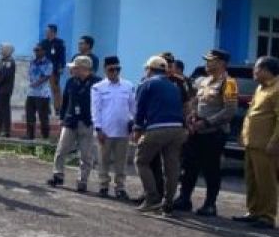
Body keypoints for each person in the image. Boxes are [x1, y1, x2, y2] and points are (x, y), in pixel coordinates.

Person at [174, 49, 237, 217]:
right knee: (189, 167)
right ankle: (184, 198)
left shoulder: (229, 83)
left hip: (213, 133)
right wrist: (192, 116)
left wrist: (207, 122)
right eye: (207, 60)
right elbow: (195, 101)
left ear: (222, 63)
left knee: (211, 169)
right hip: (196, 131)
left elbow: (229, 111)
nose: (207, 63)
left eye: (211, 60)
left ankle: (210, 204)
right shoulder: (203, 81)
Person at [132, 55, 188, 214]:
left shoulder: (147, 84)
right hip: (177, 129)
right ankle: (168, 203)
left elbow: (140, 109)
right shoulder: (174, 86)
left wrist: (137, 129)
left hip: (157, 128)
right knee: (171, 167)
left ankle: (152, 198)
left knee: (141, 161)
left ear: (149, 69)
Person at [232, 56, 279, 229]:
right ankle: (253, 212)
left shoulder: (277, 88)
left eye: (257, 69)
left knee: (266, 181)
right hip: (252, 142)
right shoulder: (260, 88)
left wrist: (275, 142)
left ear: (267, 70)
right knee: (252, 180)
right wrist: (243, 135)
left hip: (266, 145)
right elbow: (252, 114)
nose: (254, 72)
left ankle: (267, 216)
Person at [48, 55, 97, 192]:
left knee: (86, 154)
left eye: (75, 68)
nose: (72, 70)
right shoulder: (70, 81)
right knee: (61, 149)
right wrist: (62, 117)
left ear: (83, 69)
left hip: (88, 122)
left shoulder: (97, 83)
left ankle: (82, 181)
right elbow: (65, 101)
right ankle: (58, 175)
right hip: (70, 121)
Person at [91, 56, 134, 199]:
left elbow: (134, 107)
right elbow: (95, 109)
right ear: (105, 69)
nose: (115, 72)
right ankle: (103, 185)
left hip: (123, 130)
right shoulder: (98, 87)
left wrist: (133, 122)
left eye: (117, 69)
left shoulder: (128, 86)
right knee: (103, 160)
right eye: (111, 69)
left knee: (121, 162)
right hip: (106, 130)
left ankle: (120, 187)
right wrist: (98, 128)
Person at [25, 43, 53, 140]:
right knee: (29, 115)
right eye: (35, 50)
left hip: (43, 94)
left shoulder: (48, 63)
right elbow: (29, 74)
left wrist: (36, 83)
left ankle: (45, 137)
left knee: (43, 117)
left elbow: (46, 76)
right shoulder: (32, 62)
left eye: (38, 50)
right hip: (31, 93)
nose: (36, 52)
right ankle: (30, 135)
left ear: (43, 51)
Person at [0, 43, 16, 138]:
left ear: (7, 50)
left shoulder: (9, 61)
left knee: (4, 110)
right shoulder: (3, 60)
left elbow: (4, 76)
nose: (0, 50)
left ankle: (5, 130)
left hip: (4, 90)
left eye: (2, 49)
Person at [42, 24, 66, 114]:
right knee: (43, 89)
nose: (46, 33)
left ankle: (58, 108)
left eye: (47, 31)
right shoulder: (43, 43)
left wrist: (61, 67)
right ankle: (45, 108)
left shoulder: (60, 43)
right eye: (46, 31)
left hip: (54, 69)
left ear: (53, 32)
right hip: (43, 69)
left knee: (55, 89)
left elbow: (62, 56)